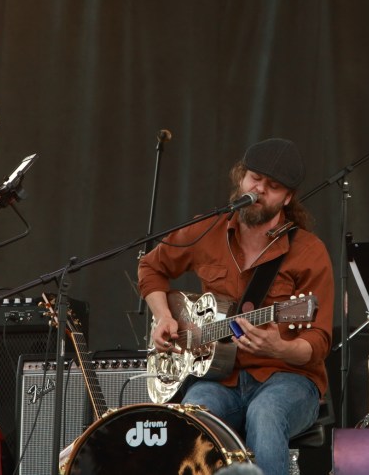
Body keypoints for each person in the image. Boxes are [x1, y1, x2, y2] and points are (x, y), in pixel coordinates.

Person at [138, 138, 334, 475]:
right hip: (218, 377)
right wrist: (164, 317)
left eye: (273, 187)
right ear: (240, 177)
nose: (260, 190)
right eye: (255, 178)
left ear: (287, 198)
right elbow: (150, 267)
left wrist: (281, 348)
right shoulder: (206, 231)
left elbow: (318, 342)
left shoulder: (308, 251)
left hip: (289, 380)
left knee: (266, 412)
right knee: (194, 413)